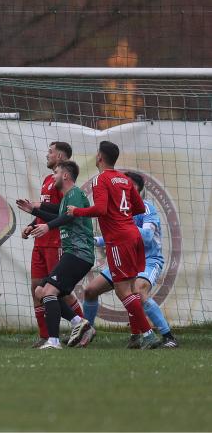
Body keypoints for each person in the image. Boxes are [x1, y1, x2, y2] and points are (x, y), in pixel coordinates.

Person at [68, 141, 161, 349]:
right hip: (133, 236)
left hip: (119, 239)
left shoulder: (100, 179)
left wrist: (76, 211)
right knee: (129, 288)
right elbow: (137, 207)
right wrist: (121, 214)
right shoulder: (124, 179)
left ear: (100, 157)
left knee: (122, 291)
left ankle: (148, 335)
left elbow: (100, 209)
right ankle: (137, 335)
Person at [78, 171, 177, 348]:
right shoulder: (121, 211)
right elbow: (112, 236)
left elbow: (147, 237)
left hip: (149, 260)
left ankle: (167, 336)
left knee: (138, 291)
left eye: (126, 184)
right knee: (90, 290)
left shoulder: (146, 208)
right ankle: (87, 331)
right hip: (126, 257)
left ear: (135, 188)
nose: (120, 186)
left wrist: (125, 227)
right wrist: (93, 240)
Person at [16, 141, 85, 347]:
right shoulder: (49, 179)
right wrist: (31, 224)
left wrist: (38, 212)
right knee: (36, 288)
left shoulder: (63, 184)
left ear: (61, 158)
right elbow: (44, 212)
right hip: (40, 241)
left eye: (51, 152)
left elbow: (61, 211)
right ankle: (45, 335)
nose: (47, 155)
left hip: (55, 241)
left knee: (58, 291)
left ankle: (81, 329)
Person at [30, 161, 97, 349]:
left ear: (66, 176)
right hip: (73, 254)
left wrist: (48, 226)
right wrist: (34, 212)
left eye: (56, 173)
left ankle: (53, 341)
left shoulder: (74, 193)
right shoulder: (67, 198)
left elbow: (70, 217)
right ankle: (78, 322)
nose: (53, 176)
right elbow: (59, 217)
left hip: (79, 253)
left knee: (49, 291)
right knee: (40, 291)